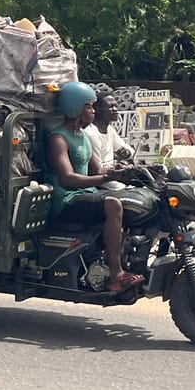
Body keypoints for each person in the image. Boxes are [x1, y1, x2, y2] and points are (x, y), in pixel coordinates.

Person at [45, 81, 144, 293]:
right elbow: (68, 179)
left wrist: (121, 172)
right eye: (89, 106)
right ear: (75, 108)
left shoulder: (83, 137)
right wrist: (102, 180)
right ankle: (116, 275)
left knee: (127, 200)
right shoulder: (58, 139)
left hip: (84, 193)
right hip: (66, 200)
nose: (93, 110)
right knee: (112, 204)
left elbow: (98, 170)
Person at [84, 90, 134, 172]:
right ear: (97, 110)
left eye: (115, 106)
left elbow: (126, 148)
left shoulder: (109, 129)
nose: (115, 110)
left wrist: (126, 153)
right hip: (102, 180)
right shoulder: (91, 134)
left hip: (113, 175)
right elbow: (97, 171)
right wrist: (116, 168)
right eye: (110, 107)